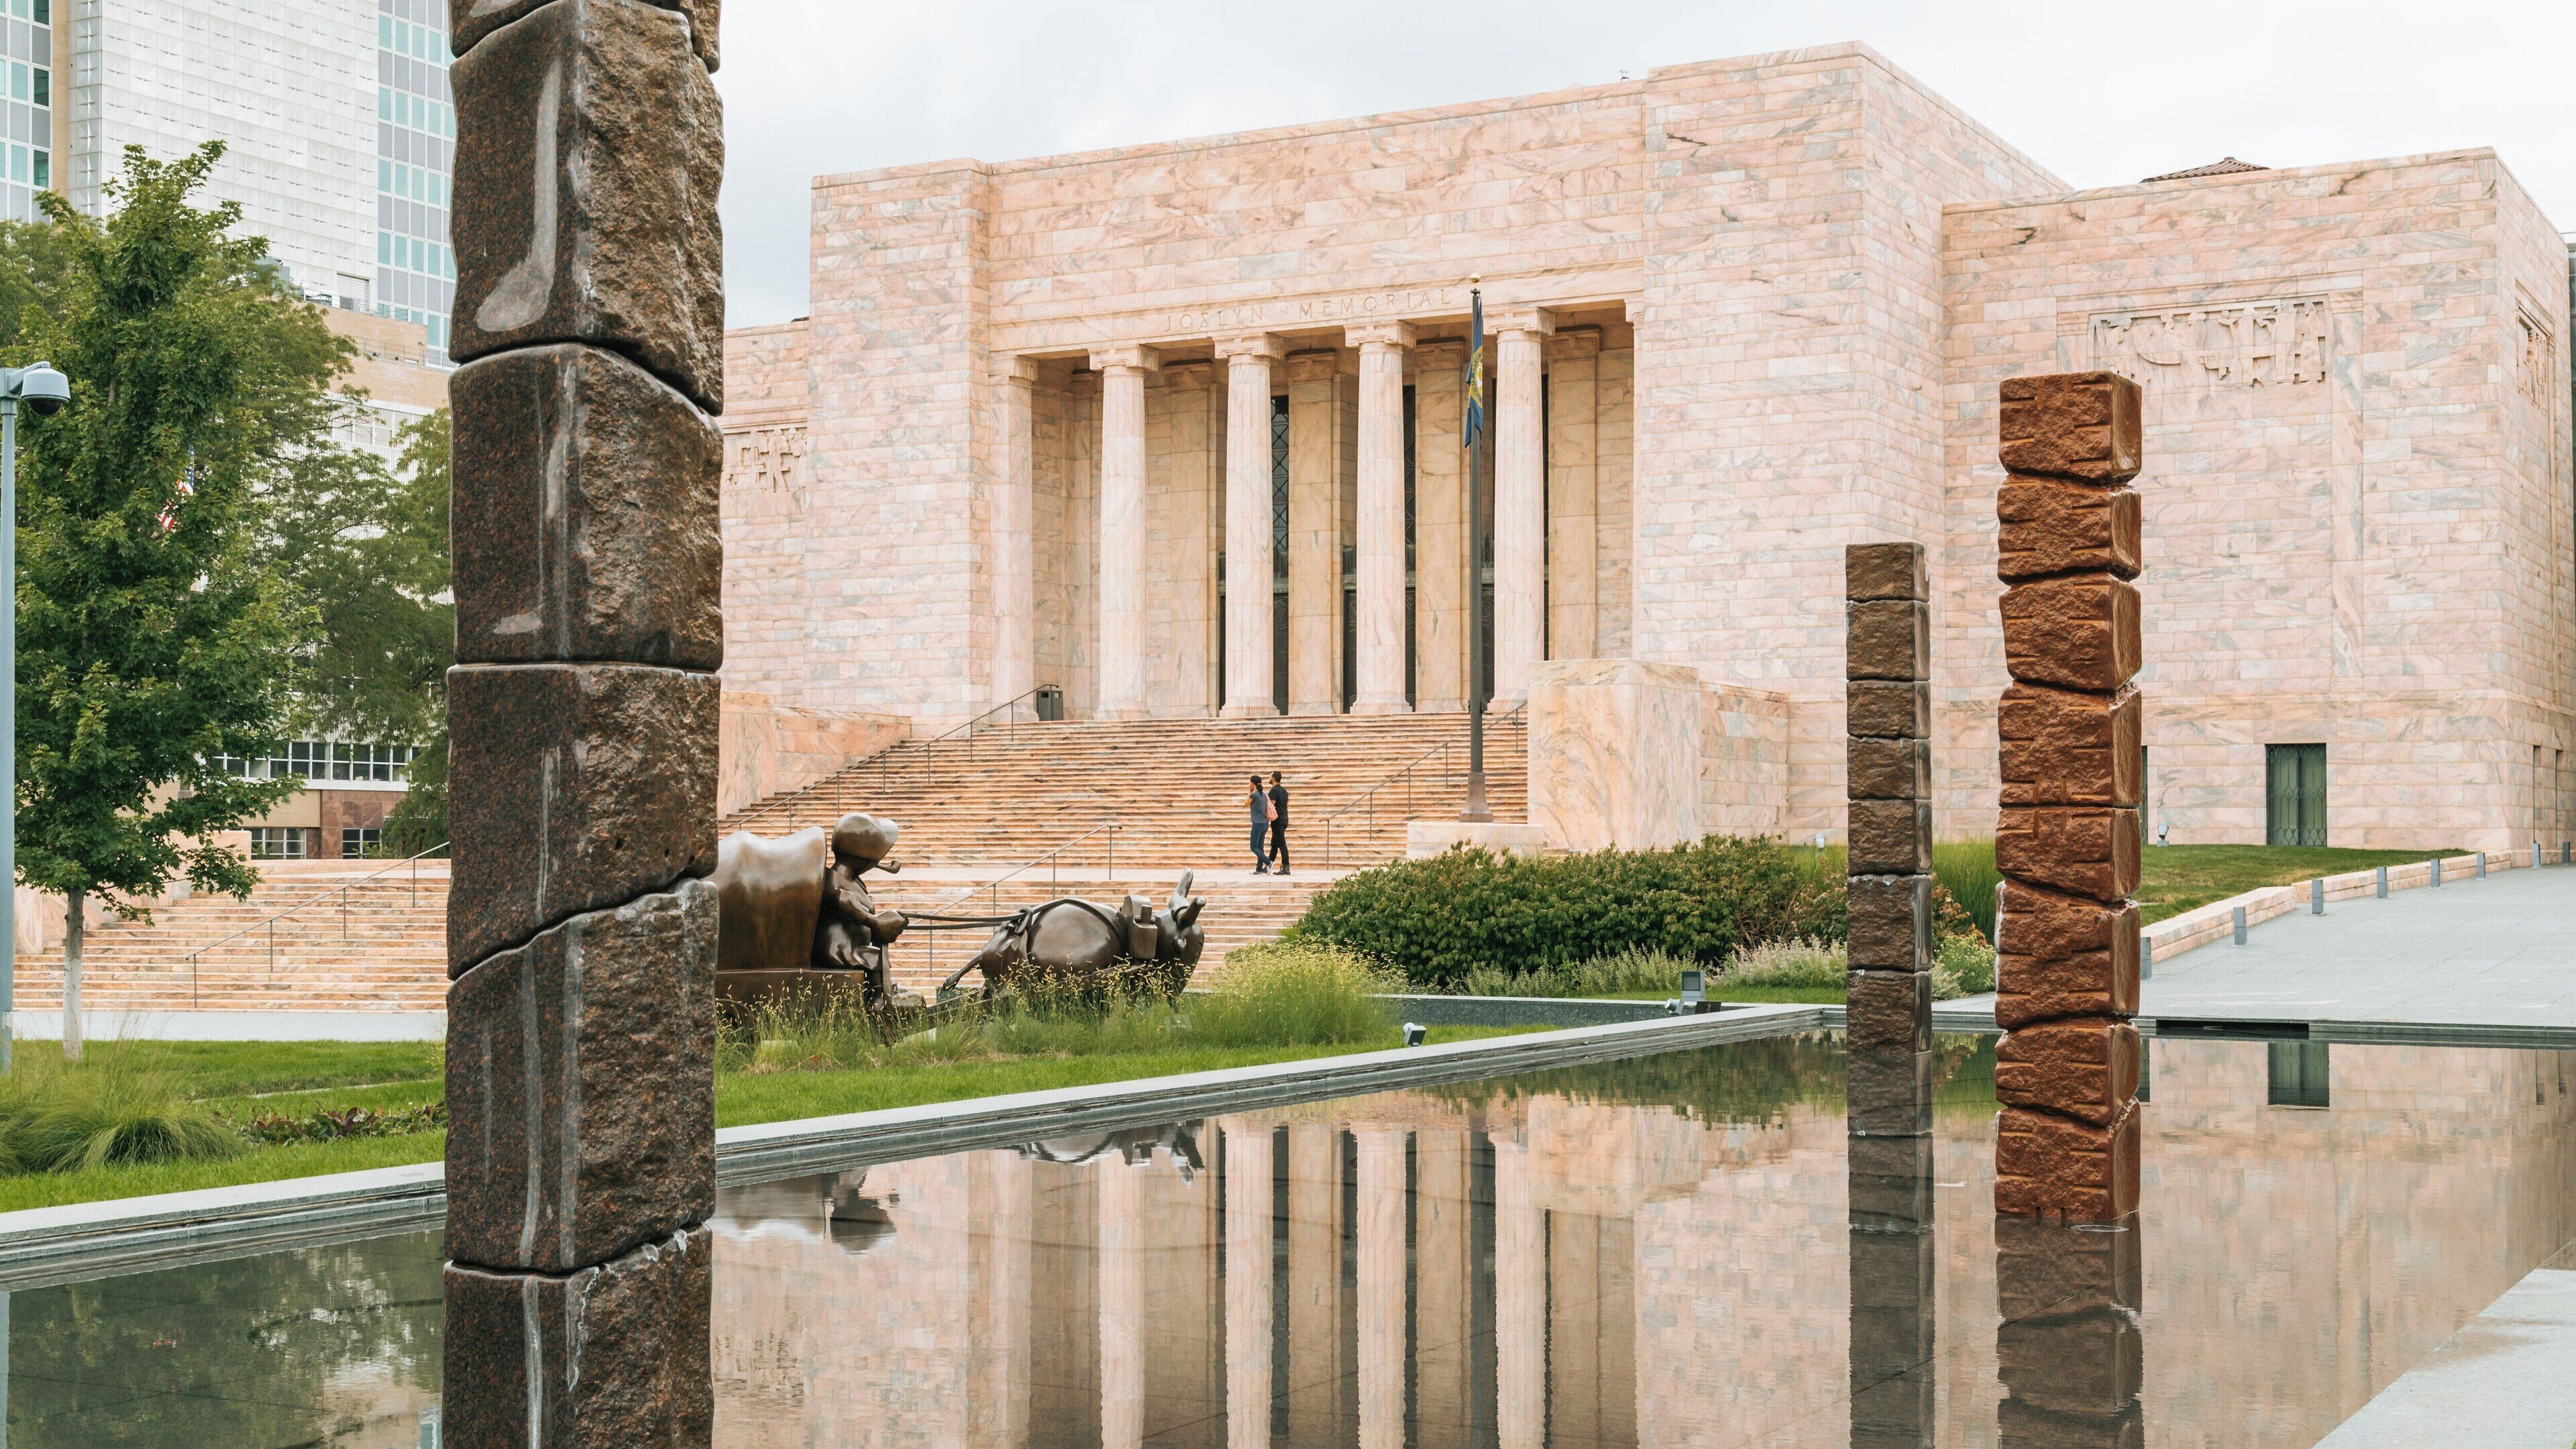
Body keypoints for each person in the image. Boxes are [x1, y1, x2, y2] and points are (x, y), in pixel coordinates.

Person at [1246, 774, 1273, 873]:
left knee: (1254, 847)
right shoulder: (1265, 795)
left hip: (1257, 824)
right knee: (1260, 847)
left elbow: (1246, 803)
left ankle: (1269, 862)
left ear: (1252, 783)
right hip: (1265, 823)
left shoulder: (1254, 795)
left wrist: (1250, 791)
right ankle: (1259, 868)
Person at [1267, 770, 1291, 876]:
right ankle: (1268, 865)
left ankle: (1286, 867)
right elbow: (1287, 806)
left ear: (1274, 779)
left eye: (1270, 777)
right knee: (1274, 844)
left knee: (1281, 844)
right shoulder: (1284, 791)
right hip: (1284, 819)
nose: (1269, 778)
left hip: (1277, 820)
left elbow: (1271, 806)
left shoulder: (1273, 791)